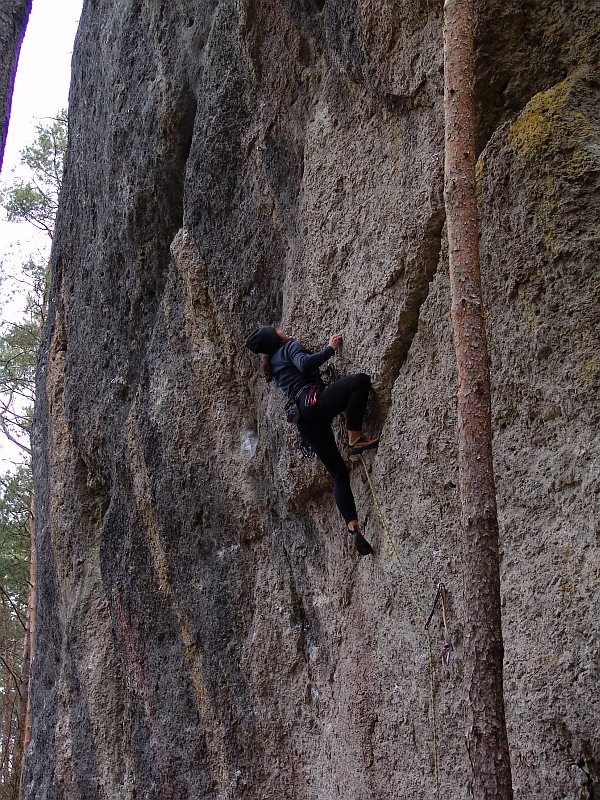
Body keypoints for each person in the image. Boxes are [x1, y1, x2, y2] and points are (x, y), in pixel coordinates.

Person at [245, 325, 379, 556]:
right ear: (276, 337)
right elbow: (305, 364)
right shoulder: (289, 347)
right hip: (314, 403)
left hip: (304, 421)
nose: (283, 330)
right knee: (360, 381)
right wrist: (330, 349)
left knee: (338, 473)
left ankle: (353, 526)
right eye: (277, 330)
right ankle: (355, 437)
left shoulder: (273, 363)